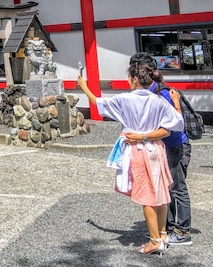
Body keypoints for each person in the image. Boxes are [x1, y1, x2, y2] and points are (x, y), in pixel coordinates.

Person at [77, 62, 183, 255]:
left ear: (134, 79)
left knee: (147, 197)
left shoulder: (125, 99)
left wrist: (84, 86)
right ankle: (162, 234)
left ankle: (154, 241)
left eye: (129, 78)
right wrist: (176, 103)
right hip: (157, 149)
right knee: (160, 194)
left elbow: (98, 102)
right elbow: (174, 126)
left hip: (139, 150)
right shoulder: (159, 100)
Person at [131, 52, 192, 246]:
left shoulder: (162, 93)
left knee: (177, 188)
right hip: (165, 146)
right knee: (167, 187)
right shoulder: (151, 91)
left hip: (174, 145)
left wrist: (143, 136)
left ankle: (182, 232)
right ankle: (168, 226)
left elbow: (172, 126)